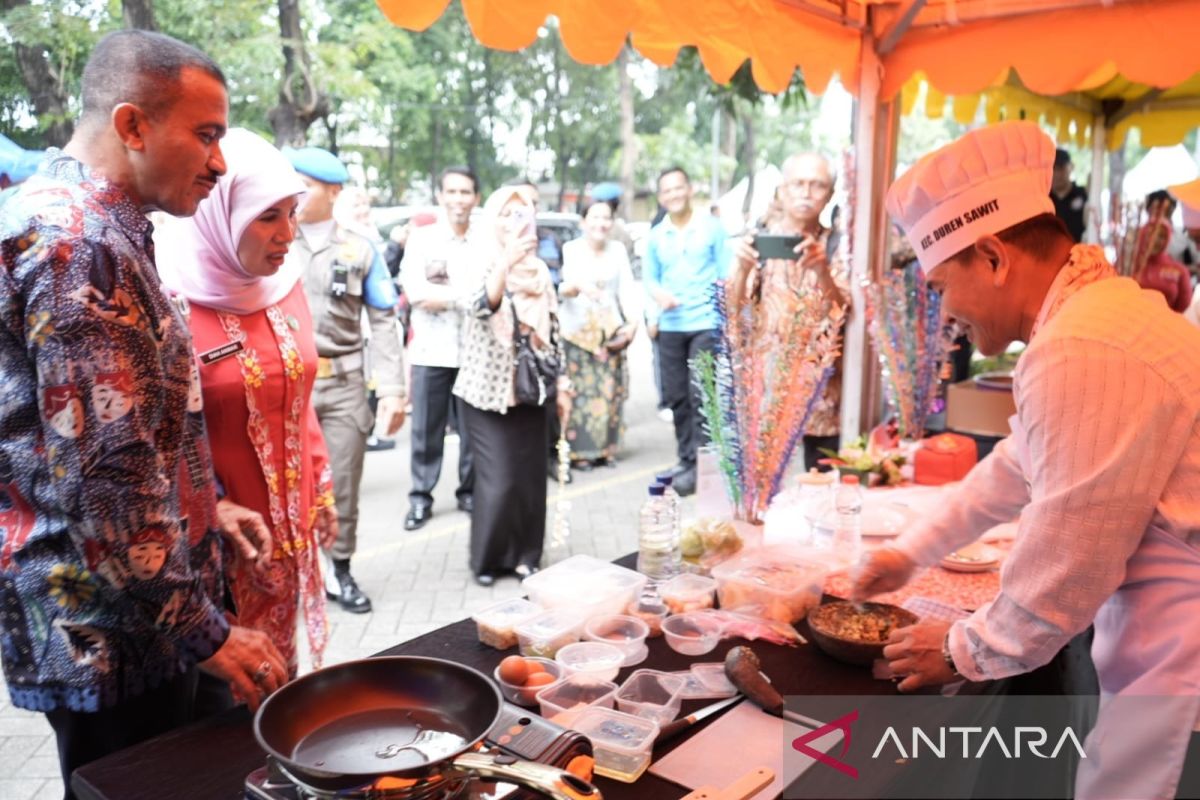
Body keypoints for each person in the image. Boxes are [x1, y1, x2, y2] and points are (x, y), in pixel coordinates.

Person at [853, 120, 1200, 799]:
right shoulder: (1091, 320)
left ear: (992, 255)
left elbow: (1068, 566)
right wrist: (911, 551)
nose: (945, 311)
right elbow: (1020, 462)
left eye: (941, 284)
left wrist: (960, 647)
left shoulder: (1086, 345)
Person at [0, 30, 285, 793]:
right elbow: (106, 483)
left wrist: (206, 509)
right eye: (206, 135)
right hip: (115, 627)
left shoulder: (92, 225)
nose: (219, 163)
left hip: (128, 609)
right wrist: (207, 633)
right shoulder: (77, 246)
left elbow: (117, 426)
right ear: (132, 126)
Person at [156, 128, 334, 679]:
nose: (287, 234)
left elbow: (298, 395)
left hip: (286, 533)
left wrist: (320, 484)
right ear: (220, 213)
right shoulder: (169, 301)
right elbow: (150, 440)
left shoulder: (284, 285)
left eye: (292, 213)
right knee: (223, 719)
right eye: (267, 217)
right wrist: (209, 507)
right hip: (214, 548)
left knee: (281, 688)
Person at [284, 146, 406, 614]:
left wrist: (393, 389)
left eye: (307, 185)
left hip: (343, 386)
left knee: (341, 484)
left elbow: (383, 321)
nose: (296, 193)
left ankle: (340, 569)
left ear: (333, 192)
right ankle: (294, 572)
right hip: (287, 388)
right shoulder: (272, 238)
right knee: (284, 485)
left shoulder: (360, 248)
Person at [453, 186, 567, 587]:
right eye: (508, 213)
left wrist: (564, 383)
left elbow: (554, 330)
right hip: (486, 393)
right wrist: (504, 261)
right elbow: (480, 304)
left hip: (531, 389)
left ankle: (526, 556)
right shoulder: (477, 259)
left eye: (525, 212)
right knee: (499, 480)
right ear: (493, 219)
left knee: (531, 479)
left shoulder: (538, 269)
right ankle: (487, 559)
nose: (518, 221)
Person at [732, 153, 849, 470]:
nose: (806, 193)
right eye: (798, 183)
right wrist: (741, 270)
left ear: (829, 195)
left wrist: (823, 271)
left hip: (822, 393)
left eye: (818, 185)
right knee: (760, 483)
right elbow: (732, 312)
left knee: (821, 483)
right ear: (782, 190)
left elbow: (843, 312)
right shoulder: (758, 241)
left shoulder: (838, 246)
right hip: (768, 387)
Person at [399, 167, 481, 530]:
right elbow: (416, 293)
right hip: (432, 351)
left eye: (466, 192)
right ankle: (420, 497)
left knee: (473, 430)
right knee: (426, 430)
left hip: (475, 353)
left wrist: (447, 298)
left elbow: (488, 295)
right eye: (452, 192)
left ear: (475, 198)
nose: (459, 199)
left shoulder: (485, 241)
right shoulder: (423, 239)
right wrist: (464, 298)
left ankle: (470, 492)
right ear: (441, 196)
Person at [643, 166, 731, 495]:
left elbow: (727, 273)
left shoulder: (712, 228)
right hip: (670, 326)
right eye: (667, 191)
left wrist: (727, 320)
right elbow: (650, 278)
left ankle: (705, 466)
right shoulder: (656, 236)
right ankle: (686, 460)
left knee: (701, 394)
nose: (674, 195)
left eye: (679, 188)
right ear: (660, 197)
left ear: (690, 189)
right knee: (677, 397)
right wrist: (657, 297)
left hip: (706, 324)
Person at [559, 199, 639, 469]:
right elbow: (565, 285)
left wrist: (632, 323)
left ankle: (606, 449)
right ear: (583, 221)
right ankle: (579, 453)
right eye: (594, 217)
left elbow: (626, 288)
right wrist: (578, 287)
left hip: (609, 333)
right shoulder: (571, 249)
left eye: (606, 218)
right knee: (579, 394)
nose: (600, 224)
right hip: (577, 333)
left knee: (609, 392)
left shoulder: (617, 250)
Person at [1132, 216, 1193, 312]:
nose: (1154, 239)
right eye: (1150, 233)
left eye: (1161, 236)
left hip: (1167, 325)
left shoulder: (1179, 271)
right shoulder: (1128, 267)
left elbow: (1185, 310)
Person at [1049, 147, 1087, 243]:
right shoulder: (1044, 198)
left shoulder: (1083, 195)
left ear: (1070, 167)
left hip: (1078, 254)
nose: (1057, 174)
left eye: (1061, 168)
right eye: (1053, 169)